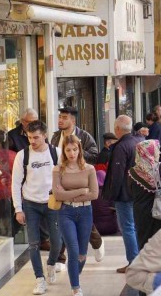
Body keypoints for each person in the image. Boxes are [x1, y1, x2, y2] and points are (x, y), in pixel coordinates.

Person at [11, 121, 62, 294]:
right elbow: (15, 183)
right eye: (30, 137)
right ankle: (40, 279)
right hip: (30, 204)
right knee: (33, 244)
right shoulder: (22, 155)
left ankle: (51, 263)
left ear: (45, 135)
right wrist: (18, 208)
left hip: (52, 202)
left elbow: (64, 178)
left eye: (36, 137)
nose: (32, 141)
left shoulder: (56, 153)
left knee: (57, 242)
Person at [51, 107, 104, 267]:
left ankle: (97, 241)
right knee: (62, 221)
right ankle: (60, 257)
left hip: (80, 182)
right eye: (60, 117)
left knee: (81, 221)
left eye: (64, 117)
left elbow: (95, 155)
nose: (60, 120)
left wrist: (78, 151)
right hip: (62, 182)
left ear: (73, 121)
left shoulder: (84, 136)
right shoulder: (55, 137)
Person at [52, 135, 99, 296]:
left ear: (80, 150)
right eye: (68, 150)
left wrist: (69, 194)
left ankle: (74, 274)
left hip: (85, 212)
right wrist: (80, 191)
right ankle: (76, 288)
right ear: (64, 152)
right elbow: (58, 194)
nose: (72, 153)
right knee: (73, 250)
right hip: (66, 212)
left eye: (74, 149)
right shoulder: (58, 169)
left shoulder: (89, 169)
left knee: (82, 253)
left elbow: (94, 194)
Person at [102, 115, 144, 273]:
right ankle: (139, 260)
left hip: (125, 195)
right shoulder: (138, 142)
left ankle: (133, 262)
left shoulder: (121, 147)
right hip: (139, 192)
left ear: (117, 129)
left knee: (127, 227)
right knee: (135, 227)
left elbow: (117, 174)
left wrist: (111, 195)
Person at [129, 140, 161, 251]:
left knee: (144, 244)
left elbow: (130, 192)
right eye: (156, 150)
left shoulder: (132, 172)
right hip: (159, 213)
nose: (159, 153)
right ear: (150, 152)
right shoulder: (159, 168)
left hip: (140, 214)